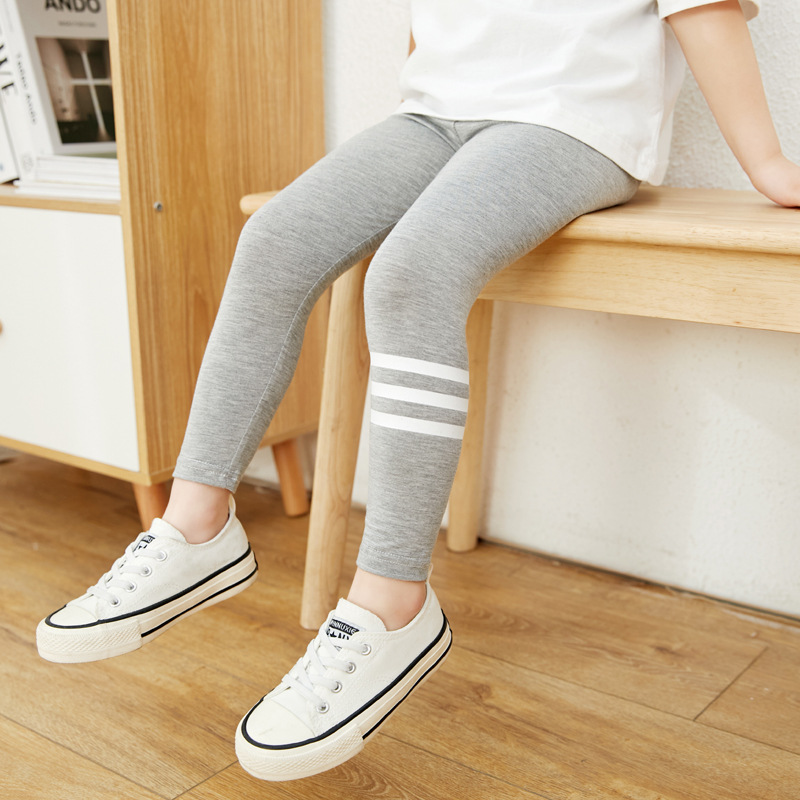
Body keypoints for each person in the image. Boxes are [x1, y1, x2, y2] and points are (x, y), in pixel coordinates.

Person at [35, 0, 799, 784]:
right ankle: (197, 526)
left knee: (410, 274)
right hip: (433, 115)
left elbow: (702, 7)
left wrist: (767, 162)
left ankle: (393, 603)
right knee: (274, 239)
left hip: (572, 122)